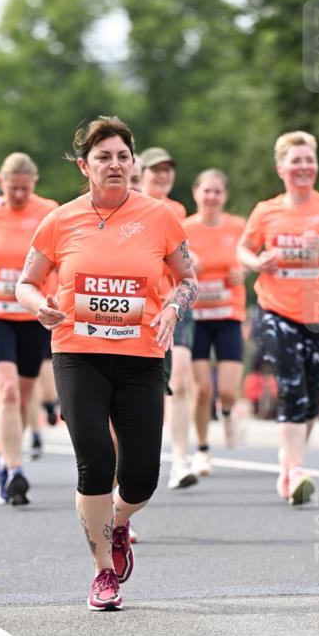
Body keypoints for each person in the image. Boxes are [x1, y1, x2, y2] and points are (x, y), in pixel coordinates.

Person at [16, 116, 197, 610]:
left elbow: (187, 277)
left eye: (122, 156)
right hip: (77, 352)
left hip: (141, 356)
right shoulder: (60, 220)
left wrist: (174, 308)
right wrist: (39, 306)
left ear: (132, 163)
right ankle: (102, 574)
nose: (114, 164)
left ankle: (118, 519)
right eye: (103, 157)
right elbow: (25, 282)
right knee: (96, 459)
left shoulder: (159, 217)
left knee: (141, 477)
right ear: (85, 166)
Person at [238, 131, 319, 503]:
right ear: (282, 168)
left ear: (316, 166)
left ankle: (291, 458)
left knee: (311, 394)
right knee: (290, 385)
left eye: (309, 160)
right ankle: (294, 470)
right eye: (296, 161)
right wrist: (256, 261)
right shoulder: (266, 211)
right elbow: (243, 249)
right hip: (277, 308)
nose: (304, 167)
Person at [0, 153, 57, 506]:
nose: (18, 194)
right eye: (12, 187)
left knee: (23, 393)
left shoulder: (48, 210)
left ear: (33, 184)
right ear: (1, 183)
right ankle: (16, 470)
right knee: (6, 389)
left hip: (32, 313)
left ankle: (3, 460)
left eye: (24, 188)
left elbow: (62, 253)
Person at [140, 146, 198, 489]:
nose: (162, 176)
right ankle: (144, 453)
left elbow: (182, 257)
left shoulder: (176, 210)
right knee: (151, 389)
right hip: (144, 309)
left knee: (181, 379)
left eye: (167, 170)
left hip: (173, 302)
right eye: (155, 170)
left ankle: (180, 459)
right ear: (141, 174)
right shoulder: (131, 207)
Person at [184, 169, 247, 476]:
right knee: (201, 390)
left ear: (225, 196)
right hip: (195, 318)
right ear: (196, 193)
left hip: (228, 315)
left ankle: (227, 412)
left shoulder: (238, 227)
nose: (211, 197)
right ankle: (203, 450)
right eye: (206, 191)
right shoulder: (183, 229)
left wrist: (244, 272)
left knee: (228, 390)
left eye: (217, 192)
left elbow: (250, 258)